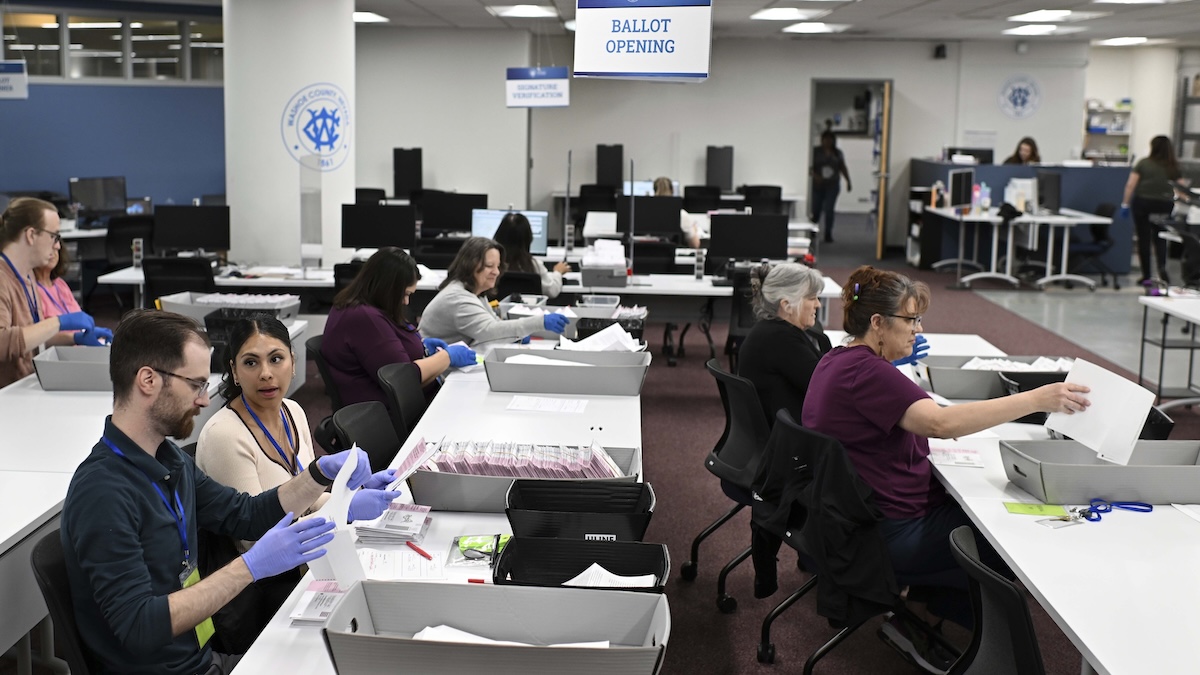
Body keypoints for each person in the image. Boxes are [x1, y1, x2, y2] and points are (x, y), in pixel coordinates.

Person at [60, 309, 388, 675]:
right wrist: (248, 567)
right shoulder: (103, 492)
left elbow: (243, 514)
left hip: (201, 658)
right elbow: (139, 626)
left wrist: (316, 473)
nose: (204, 400)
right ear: (148, 381)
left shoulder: (168, 460)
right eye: (196, 385)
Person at [801, 266, 1089, 668]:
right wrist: (1036, 399)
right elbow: (940, 423)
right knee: (1009, 537)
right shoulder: (867, 372)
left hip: (857, 519)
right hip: (888, 531)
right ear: (878, 323)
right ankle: (975, 640)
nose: (917, 329)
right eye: (911, 320)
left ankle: (922, 615)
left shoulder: (840, 359)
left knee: (989, 514)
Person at [196, 315, 401, 652]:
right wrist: (343, 513)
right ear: (233, 370)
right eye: (251, 362)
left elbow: (305, 498)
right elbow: (257, 540)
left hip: (309, 566)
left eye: (276, 359)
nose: (266, 373)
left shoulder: (292, 411)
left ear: (293, 363)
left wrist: (346, 498)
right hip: (267, 589)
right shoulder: (225, 435)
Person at [322, 247, 474, 407]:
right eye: (405, 294)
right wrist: (446, 357)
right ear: (387, 288)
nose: (406, 302)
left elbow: (385, 351)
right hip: (389, 415)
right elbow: (403, 379)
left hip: (400, 405)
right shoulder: (364, 317)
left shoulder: (364, 307)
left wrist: (421, 347)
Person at [0, 197, 110, 388]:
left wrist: (72, 337)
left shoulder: (27, 276)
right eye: (54, 236)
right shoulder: (2, 278)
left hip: (25, 386)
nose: (58, 245)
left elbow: (31, 337)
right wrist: (57, 322)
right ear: (31, 235)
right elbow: (2, 343)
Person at [419, 236, 569, 346]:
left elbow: (494, 323)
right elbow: (490, 330)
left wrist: (515, 334)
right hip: (439, 377)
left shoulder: (475, 293)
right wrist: (539, 322)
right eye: (489, 266)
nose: (496, 272)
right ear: (470, 265)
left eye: (498, 266)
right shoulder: (457, 298)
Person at [737, 262, 831, 425]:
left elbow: (820, 368)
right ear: (787, 305)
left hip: (784, 430)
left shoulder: (774, 331)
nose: (818, 304)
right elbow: (826, 386)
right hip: (791, 437)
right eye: (811, 298)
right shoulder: (779, 340)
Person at [1123, 135, 1184, 284]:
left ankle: (1146, 276)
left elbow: (1131, 184)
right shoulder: (1172, 166)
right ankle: (1162, 272)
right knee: (1161, 237)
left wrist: (1124, 204)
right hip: (1164, 205)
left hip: (1143, 204)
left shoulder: (1143, 163)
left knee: (1144, 238)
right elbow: (1182, 189)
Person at [492, 212, 570, 298]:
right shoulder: (533, 265)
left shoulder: (491, 264)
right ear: (528, 238)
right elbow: (552, 291)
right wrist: (558, 272)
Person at [810, 131, 851, 244]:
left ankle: (828, 233)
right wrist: (815, 176)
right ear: (822, 140)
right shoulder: (815, 152)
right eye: (825, 139)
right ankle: (812, 232)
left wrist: (848, 181)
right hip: (818, 185)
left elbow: (842, 167)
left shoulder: (838, 153)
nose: (828, 142)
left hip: (832, 186)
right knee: (816, 210)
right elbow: (809, 167)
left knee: (829, 210)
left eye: (830, 139)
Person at [34, 243, 83, 327]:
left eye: (56, 240)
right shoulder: (32, 290)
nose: (56, 246)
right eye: (49, 244)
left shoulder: (60, 283)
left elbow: (79, 316)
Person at [654, 176, 707, 248]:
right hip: (672, 257)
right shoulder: (681, 214)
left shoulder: (646, 214)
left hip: (646, 257)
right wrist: (694, 229)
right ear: (672, 191)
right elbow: (695, 245)